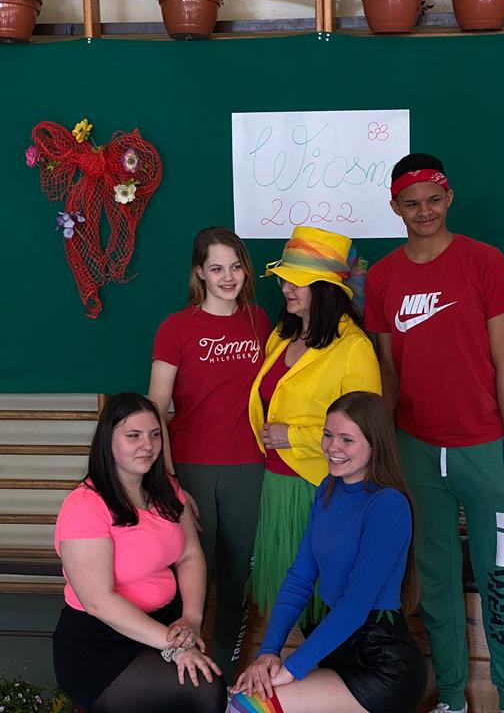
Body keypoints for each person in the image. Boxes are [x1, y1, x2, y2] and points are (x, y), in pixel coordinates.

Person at [364, 153, 504, 713]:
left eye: (434, 200)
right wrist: (387, 452)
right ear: (395, 207)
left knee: (501, 580)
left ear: (449, 198)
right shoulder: (383, 277)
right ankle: (453, 698)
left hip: (485, 450)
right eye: (411, 203)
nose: (424, 211)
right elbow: (389, 372)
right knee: (435, 581)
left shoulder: (484, 262)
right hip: (415, 450)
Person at [230, 391, 426, 713]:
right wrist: (268, 652)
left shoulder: (388, 504)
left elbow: (356, 604)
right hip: (337, 652)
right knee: (245, 697)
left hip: (381, 666)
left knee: (246, 706)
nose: (332, 447)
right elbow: (299, 579)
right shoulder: (327, 489)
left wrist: (292, 668)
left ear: (375, 444)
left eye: (346, 439)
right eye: (328, 434)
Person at [149, 226, 272, 685]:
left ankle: (224, 676)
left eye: (236, 267)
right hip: (192, 468)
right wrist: (169, 480)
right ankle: (179, 675)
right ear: (199, 272)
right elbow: (157, 406)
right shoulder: (176, 327)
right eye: (216, 268)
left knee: (237, 577)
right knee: (187, 574)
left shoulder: (260, 321)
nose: (228, 277)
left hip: (250, 467)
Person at [52, 392, 227, 713]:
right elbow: (98, 601)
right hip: (100, 641)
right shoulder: (84, 505)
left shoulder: (167, 490)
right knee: (203, 690)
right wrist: (175, 647)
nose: (147, 445)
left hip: (164, 622)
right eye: (133, 435)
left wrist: (191, 618)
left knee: (201, 686)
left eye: (155, 435)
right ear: (108, 440)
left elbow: (189, 555)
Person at [246, 225, 382, 630]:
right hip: (277, 484)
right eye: (285, 278)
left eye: (298, 281)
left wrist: (294, 436)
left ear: (324, 289)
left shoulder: (353, 347)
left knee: (322, 604)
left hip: (322, 488)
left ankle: (328, 669)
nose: (286, 287)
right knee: (290, 601)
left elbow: (366, 430)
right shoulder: (281, 335)